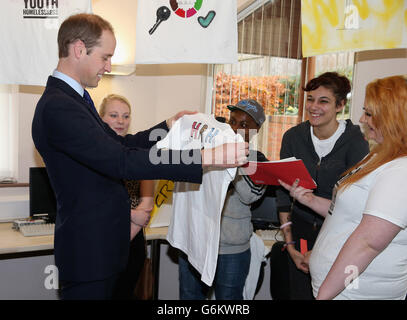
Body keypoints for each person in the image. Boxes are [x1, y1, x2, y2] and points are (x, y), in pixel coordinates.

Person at [31, 13, 248, 300]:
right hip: (89, 253)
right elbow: (123, 161)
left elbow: (124, 144)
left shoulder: (75, 100)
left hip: (102, 249)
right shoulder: (59, 106)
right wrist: (208, 157)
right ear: (79, 49)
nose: (108, 67)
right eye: (105, 57)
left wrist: (167, 126)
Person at [280, 75, 407, 300]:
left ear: (392, 118)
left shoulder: (400, 170)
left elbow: (368, 243)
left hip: (354, 292)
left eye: (369, 113)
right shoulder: (378, 155)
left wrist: (324, 294)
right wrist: (309, 200)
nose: (361, 119)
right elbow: (349, 212)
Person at [275, 72, 369, 299]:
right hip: (302, 232)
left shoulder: (356, 142)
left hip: (340, 236)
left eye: (323, 101)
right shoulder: (293, 138)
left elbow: (355, 206)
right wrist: (291, 246)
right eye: (310, 99)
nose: (314, 107)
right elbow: (283, 197)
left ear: (340, 105)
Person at [178, 99, 268, 300]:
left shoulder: (258, 160)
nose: (235, 128)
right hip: (195, 242)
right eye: (232, 121)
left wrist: (233, 161)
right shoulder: (209, 152)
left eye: (244, 125)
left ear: (256, 130)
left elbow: (249, 196)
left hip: (232, 250)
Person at [99, 93, 153, 299]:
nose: (120, 121)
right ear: (100, 117)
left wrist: (130, 230)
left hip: (132, 240)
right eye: (113, 115)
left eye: (126, 116)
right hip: (102, 236)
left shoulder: (139, 151)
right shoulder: (94, 151)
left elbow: (146, 205)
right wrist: (130, 214)